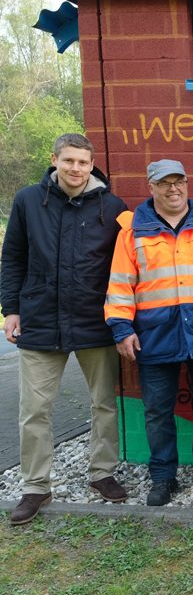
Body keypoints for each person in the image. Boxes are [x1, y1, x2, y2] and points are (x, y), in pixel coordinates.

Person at [1, 133, 129, 525]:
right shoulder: (27, 201)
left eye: (83, 162)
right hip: (40, 320)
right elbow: (13, 257)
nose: (76, 168)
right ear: (54, 159)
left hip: (94, 320)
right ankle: (36, 486)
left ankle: (101, 473)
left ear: (92, 165)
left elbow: (123, 266)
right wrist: (11, 310)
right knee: (34, 409)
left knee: (104, 402)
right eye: (69, 161)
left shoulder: (113, 206)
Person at [105, 159, 193, 507]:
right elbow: (120, 284)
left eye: (179, 181)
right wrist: (121, 327)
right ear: (151, 187)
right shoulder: (132, 232)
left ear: (187, 183)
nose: (173, 189)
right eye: (165, 183)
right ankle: (163, 476)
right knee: (158, 411)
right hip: (154, 334)